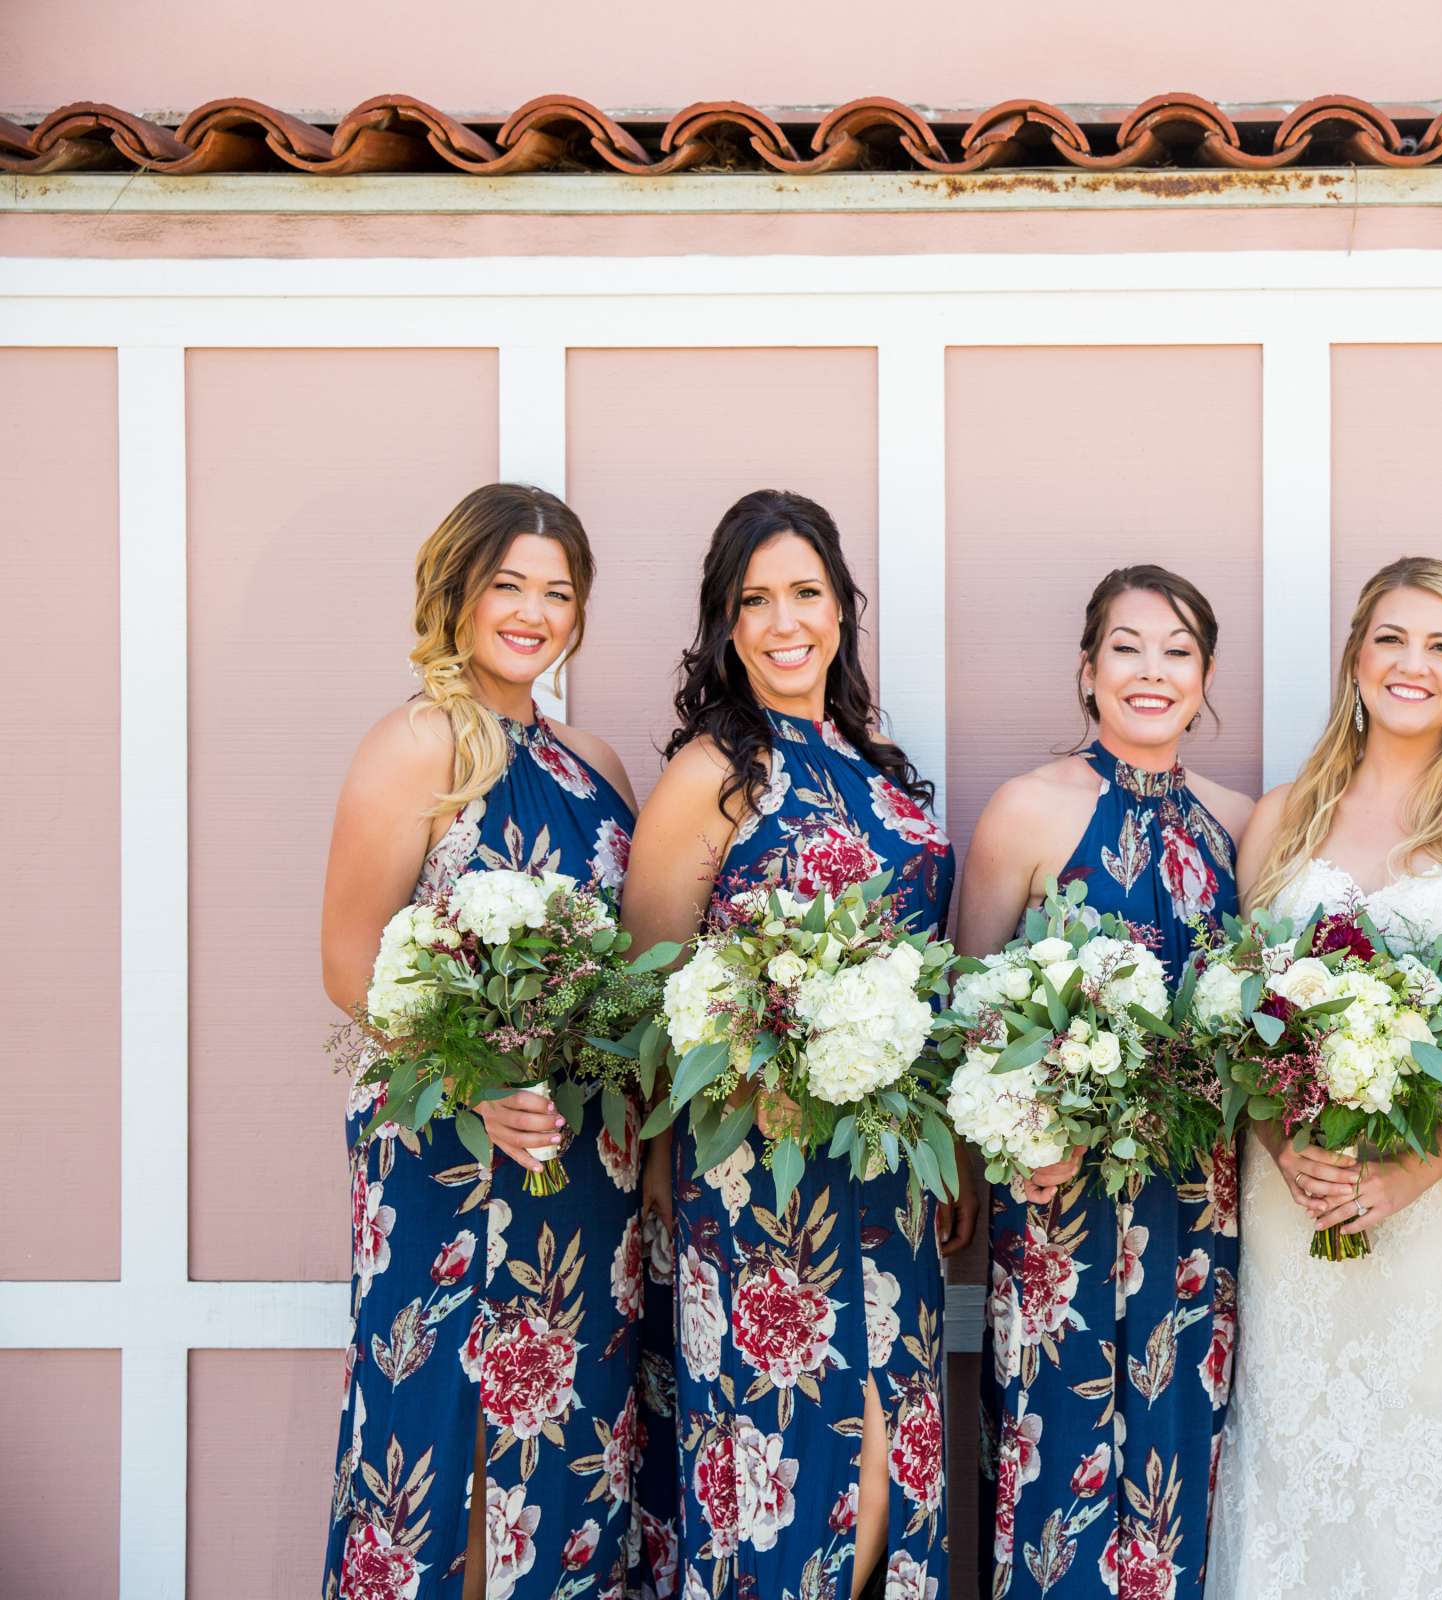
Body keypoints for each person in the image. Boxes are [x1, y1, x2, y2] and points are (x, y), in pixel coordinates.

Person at [623, 489, 972, 1599]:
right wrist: (670, 1167)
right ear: (727, 624)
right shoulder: (711, 775)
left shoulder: (878, 771)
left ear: (841, 610)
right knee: (792, 1471)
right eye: (756, 600)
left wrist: (946, 1145)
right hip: (760, 1176)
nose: (786, 622)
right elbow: (651, 994)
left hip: (891, 1176)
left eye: (806, 594)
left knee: (891, 1459)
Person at [1206, 555, 1442, 1598]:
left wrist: (1409, 1176)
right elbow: (1246, 1021)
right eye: (1392, 639)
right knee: (1301, 1434)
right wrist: (1292, 1151)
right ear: (1356, 656)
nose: (1413, 665)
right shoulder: (1281, 819)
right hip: (1295, 1192)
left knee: (1431, 1418)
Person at [322, 483, 649, 1599]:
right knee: (444, 1443)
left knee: (567, 1447)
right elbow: (347, 961)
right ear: (458, 590)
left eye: (559, 592)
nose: (534, 611)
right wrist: (473, 1085)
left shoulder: (598, 763)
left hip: (581, 1159)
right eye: (509, 583)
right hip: (447, 1153)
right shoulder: (419, 741)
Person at [956, 564, 1254, 1598]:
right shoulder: (1028, 809)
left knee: (1181, 1458)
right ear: (1087, 672)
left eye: (1176, 651)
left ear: (1205, 677)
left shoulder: (1240, 825)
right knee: (1062, 1459)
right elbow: (969, 1014)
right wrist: (1020, 1136)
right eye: (1126, 647)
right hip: (1059, 1200)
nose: (1150, 671)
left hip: (1194, 1201)